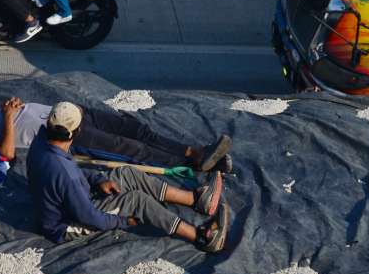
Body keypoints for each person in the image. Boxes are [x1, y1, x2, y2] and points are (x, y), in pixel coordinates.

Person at [27, 102, 230, 252]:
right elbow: (89, 217)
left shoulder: (42, 143)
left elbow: (74, 173)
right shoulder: (65, 174)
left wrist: (98, 180)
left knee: (127, 173)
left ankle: (195, 200)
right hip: (65, 225)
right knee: (137, 201)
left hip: (70, 199)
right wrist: (123, 222)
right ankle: (201, 237)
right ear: (76, 132)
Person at [0, 88, 232, 172]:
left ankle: (194, 152)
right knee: (127, 148)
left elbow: (17, 111)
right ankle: (190, 164)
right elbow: (5, 155)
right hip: (65, 133)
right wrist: (10, 116)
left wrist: (13, 106)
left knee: (136, 130)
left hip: (75, 113)